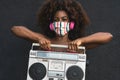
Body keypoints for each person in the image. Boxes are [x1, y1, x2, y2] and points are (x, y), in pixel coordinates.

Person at [11, 0, 113, 52]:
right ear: (51, 25)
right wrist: (38, 39)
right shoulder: (45, 41)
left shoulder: (78, 46)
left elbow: (108, 36)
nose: (60, 23)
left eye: (64, 20)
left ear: (71, 24)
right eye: (56, 20)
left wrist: (82, 41)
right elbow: (16, 29)